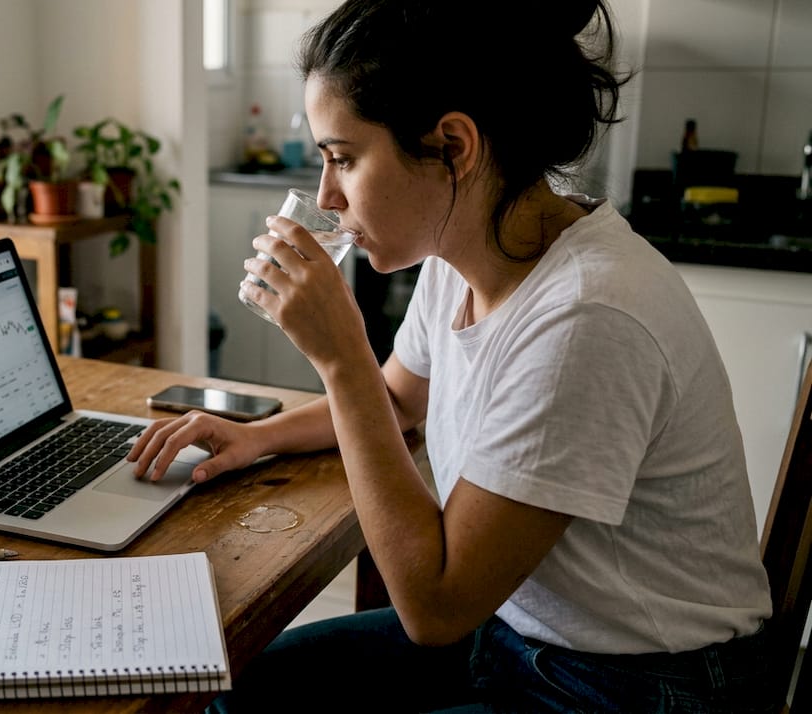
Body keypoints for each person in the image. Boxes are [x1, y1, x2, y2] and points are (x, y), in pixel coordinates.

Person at [128, 0, 780, 711]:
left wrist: (342, 357)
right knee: (230, 689)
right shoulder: (466, 254)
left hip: (639, 683)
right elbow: (398, 399)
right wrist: (257, 437)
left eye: (343, 158)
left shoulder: (587, 317)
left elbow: (434, 607)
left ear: (453, 147)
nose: (326, 195)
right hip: (516, 630)